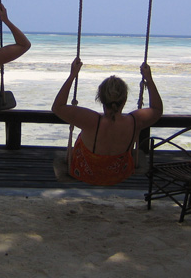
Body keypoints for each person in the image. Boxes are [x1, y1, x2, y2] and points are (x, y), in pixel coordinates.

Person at [52, 57, 163, 185]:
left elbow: (57, 107)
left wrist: (72, 75)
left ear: (100, 99)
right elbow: (157, 109)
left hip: (85, 173)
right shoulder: (135, 121)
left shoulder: (91, 121)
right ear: (125, 99)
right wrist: (149, 79)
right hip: (119, 174)